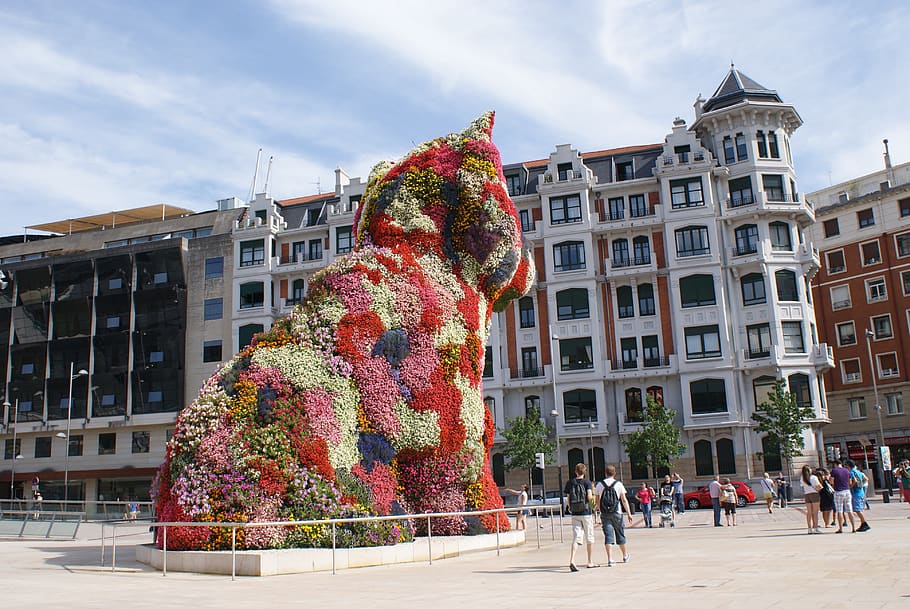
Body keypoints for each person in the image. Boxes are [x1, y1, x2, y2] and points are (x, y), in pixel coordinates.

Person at [595, 464, 633, 566]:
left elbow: (597, 500)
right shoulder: (618, 484)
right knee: (620, 533)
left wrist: (601, 510)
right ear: (614, 473)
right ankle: (625, 555)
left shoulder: (599, 484)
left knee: (608, 535)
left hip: (605, 513)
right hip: (617, 512)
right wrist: (629, 513)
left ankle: (610, 559)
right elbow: (624, 500)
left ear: (605, 473)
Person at [564, 463, 597, 571]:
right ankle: (590, 561)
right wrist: (593, 508)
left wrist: (570, 508)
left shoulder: (570, 483)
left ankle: (572, 560)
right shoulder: (587, 482)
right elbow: (589, 496)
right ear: (585, 471)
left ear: (575, 471)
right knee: (589, 537)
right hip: (586, 512)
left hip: (575, 513)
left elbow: (568, 499)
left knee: (576, 537)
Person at [829, 459, 855, 533]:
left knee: (839, 510)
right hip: (847, 491)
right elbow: (850, 482)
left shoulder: (834, 471)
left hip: (838, 492)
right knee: (850, 510)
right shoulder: (847, 471)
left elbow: (831, 481)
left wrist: (834, 485)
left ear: (835, 464)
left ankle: (840, 528)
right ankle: (853, 528)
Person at [846, 459, 870, 532]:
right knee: (858, 509)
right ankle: (863, 523)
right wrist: (862, 485)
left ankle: (864, 523)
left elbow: (854, 481)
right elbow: (866, 479)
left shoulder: (851, 472)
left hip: (855, 493)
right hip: (860, 491)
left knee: (857, 509)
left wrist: (851, 486)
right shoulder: (858, 472)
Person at [799, 465, 822, 534]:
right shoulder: (814, 477)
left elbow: (802, 485)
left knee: (809, 512)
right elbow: (819, 486)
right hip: (814, 494)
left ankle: (809, 528)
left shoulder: (802, 478)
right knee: (815, 512)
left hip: (807, 494)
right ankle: (815, 528)